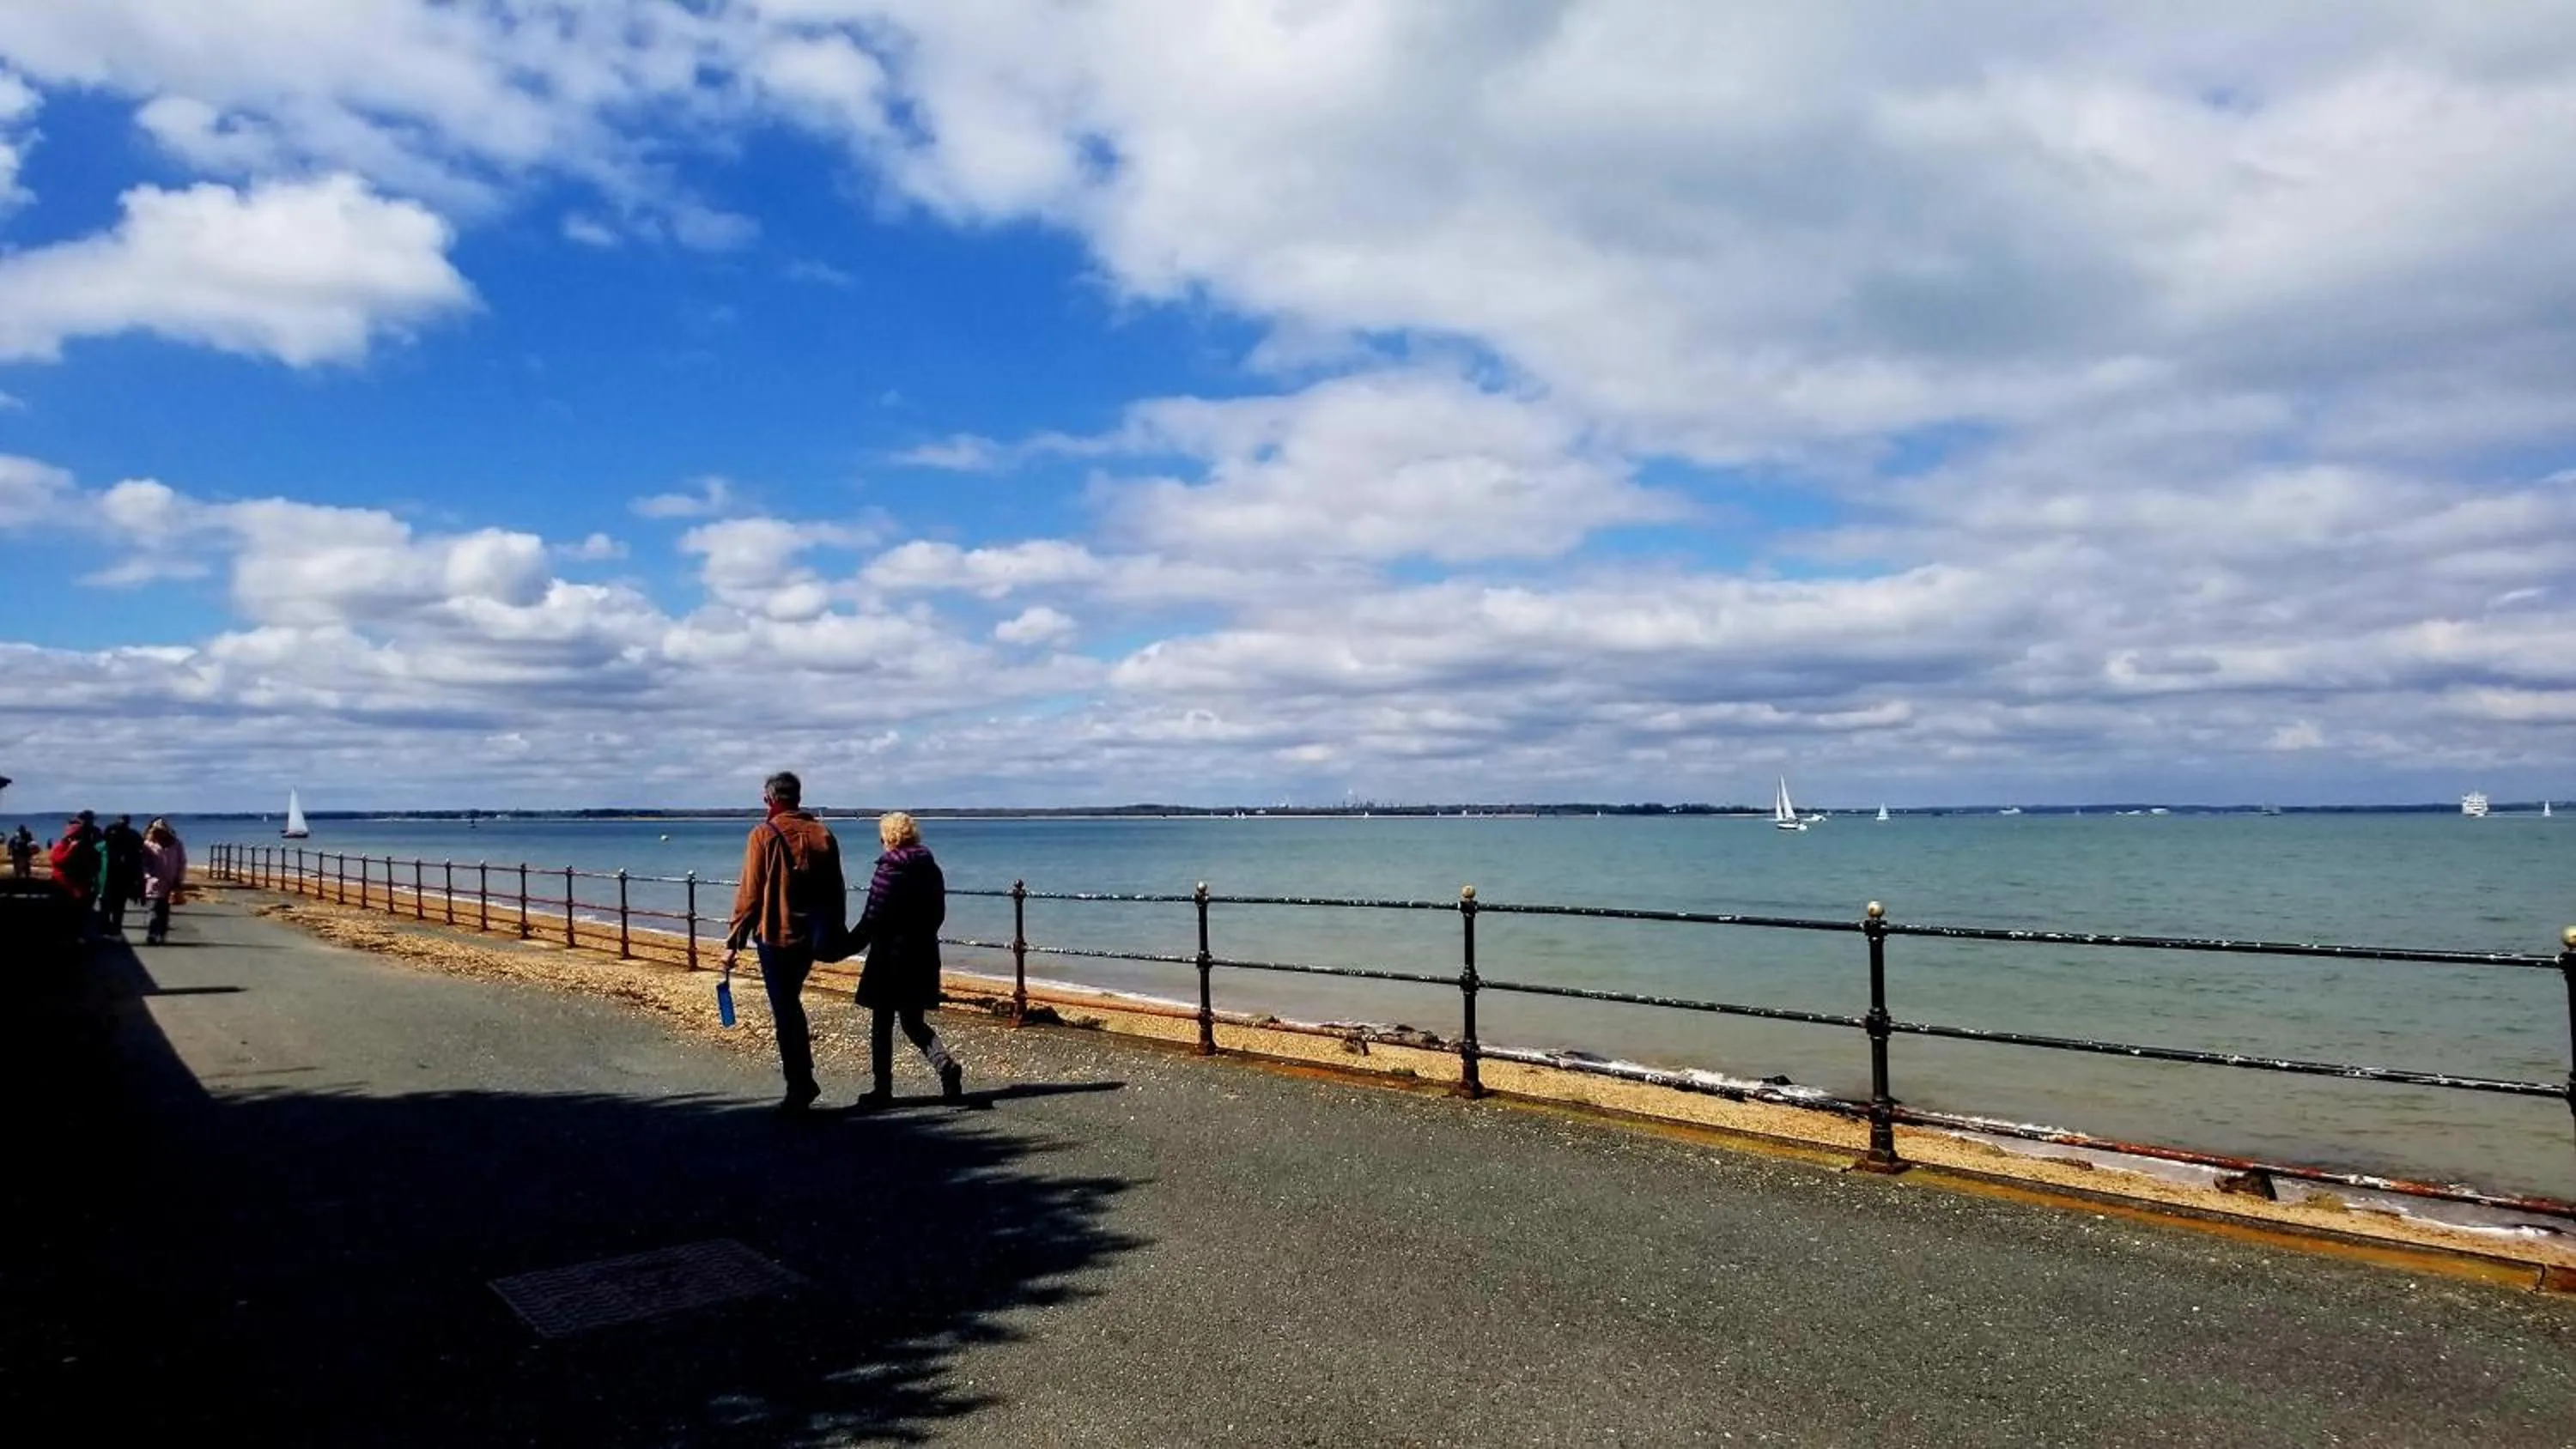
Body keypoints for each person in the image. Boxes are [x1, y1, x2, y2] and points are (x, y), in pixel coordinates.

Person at [723, 772, 845, 1115]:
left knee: (786, 1010)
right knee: (790, 1005)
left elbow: (749, 892)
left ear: (769, 799)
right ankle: (801, 1081)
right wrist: (835, 931)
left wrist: (733, 941)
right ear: (799, 797)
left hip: (776, 934)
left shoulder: (764, 833)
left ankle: (800, 1085)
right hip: (812, 936)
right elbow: (836, 889)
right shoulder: (823, 833)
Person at [846, 810, 963, 1107]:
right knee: (913, 1022)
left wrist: (844, 946)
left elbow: (872, 916)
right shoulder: (930, 868)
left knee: (882, 1024)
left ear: (889, 837)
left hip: (890, 956)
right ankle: (944, 1063)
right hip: (923, 952)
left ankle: (882, 1089)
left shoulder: (889, 869)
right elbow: (938, 915)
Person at [48, 812, 100, 938]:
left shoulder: (89, 845)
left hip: (81, 885)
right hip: (64, 886)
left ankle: (78, 936)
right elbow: (59, 861)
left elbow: (95, 862)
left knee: (80, 914)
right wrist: (71, 849)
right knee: (66, 915)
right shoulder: (61, 846)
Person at [140, 818, 188, 945]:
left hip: (170, 882)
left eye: (162, 831)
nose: (159, 834)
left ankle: (161, 933)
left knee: (164, 910)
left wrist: (179, 879)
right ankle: (152, 934)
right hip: (153, 883)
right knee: (153, 908)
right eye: (156, 831)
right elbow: (143, 862)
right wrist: (147, 876)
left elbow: (181, 862)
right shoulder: (148, 844)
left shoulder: (176, 844)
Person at [99, 815, 144, 938]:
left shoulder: (129, 836)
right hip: (116, 876)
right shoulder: (130, 835)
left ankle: (109, 930)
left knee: (110, 906)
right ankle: (111, 930)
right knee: (112, 906)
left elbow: (139, 857)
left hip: (118, 876)